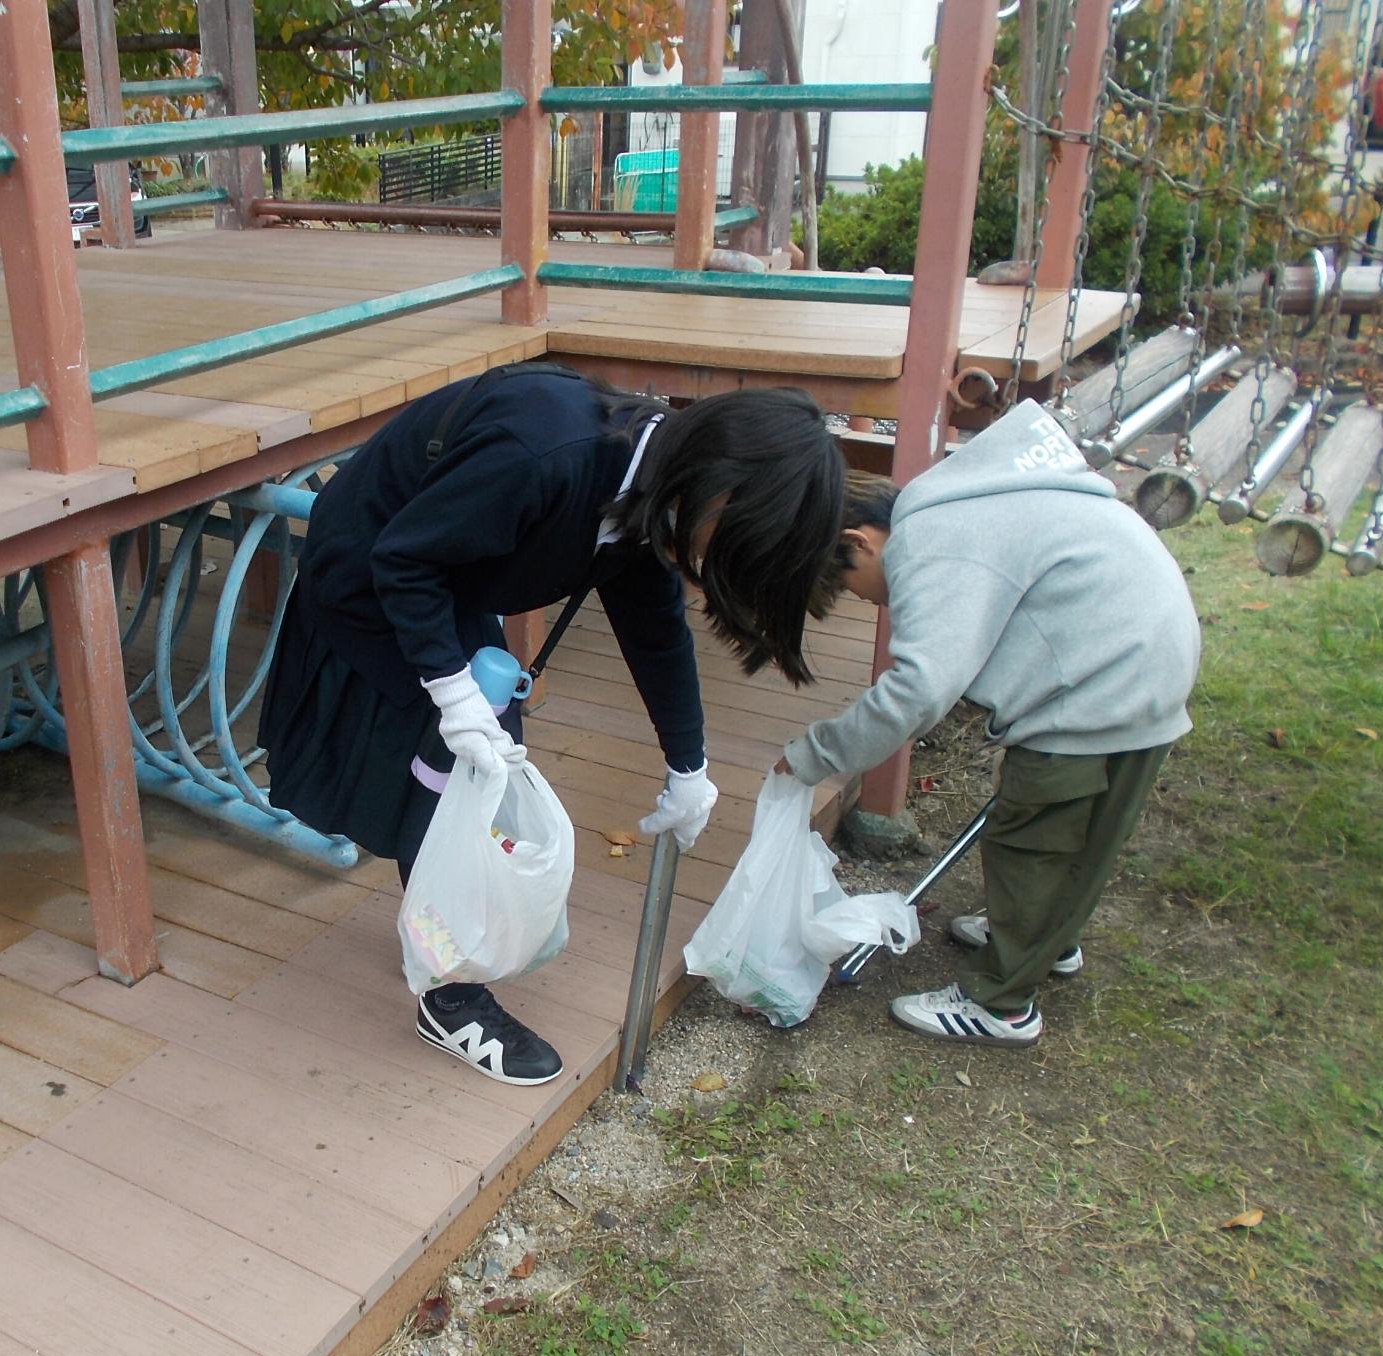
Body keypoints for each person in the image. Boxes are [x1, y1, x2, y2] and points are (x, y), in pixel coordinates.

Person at [261, 365, 848, 1084]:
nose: (704, 570)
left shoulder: (649, 484)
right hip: (372, 571)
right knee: (459, 780)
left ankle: (438, 932)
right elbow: (404, 561)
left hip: (445, 572)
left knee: (477, 764)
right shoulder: (543, 455)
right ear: (717, 484)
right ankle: (450, 997)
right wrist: (448, 690)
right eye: (721, 547)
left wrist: (688, 763)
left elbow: (653, 623)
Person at [779, 400, 1202, 1048]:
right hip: (1140, 652)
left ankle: (1002, 1001)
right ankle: (1042, 939)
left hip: (1104, 679)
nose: (875, 603)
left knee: (1033, 837)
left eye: (862, 591)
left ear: (860, 542)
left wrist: (813, 755)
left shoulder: (928, 544)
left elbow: (919, 689)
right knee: (1079, 835)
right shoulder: (954, 504)